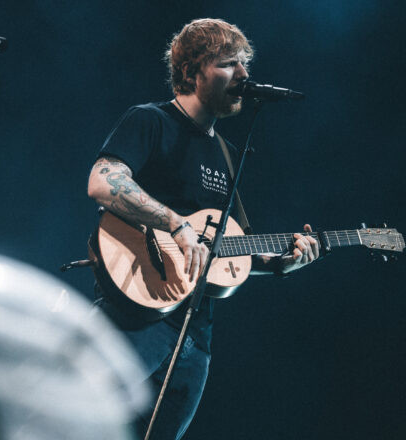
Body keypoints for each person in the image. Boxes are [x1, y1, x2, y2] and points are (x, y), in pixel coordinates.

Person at [87, 18, 319, 440]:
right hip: (137, 314)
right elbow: (104, 181)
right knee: (82, 427)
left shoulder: (227, 154)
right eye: (230, 64)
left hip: (196, 339)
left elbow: (236, 249)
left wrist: (284, 262)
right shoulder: (151, 120)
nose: (244, 76)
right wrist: (174, 223)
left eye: (245, 64)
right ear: (191, 71)